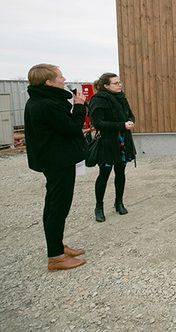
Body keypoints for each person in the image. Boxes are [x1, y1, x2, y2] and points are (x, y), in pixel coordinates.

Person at [24, 64, 87, 271]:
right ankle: (56, 257)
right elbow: (71, 129)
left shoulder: (42, 100)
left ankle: (57, 246)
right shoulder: (47, 104)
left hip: (53, 159)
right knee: (58, 206)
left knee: (53, 203)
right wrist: (79, 106)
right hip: (58, 161)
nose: (64, 79)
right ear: (48, 82)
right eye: (60, 76)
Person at [89, 73, 136, 222]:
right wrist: (122, 125)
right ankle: (99, 207)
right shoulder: (98, 100)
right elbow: (98, 123)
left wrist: (130, 121)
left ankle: (119, 202)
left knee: (120, 172)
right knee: (104, 174)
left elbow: (130, 115)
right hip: (107, 143)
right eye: (116, 83)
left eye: (119, 82)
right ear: (106, 86)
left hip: (122, 141)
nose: (120, 85)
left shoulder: (121, 97)